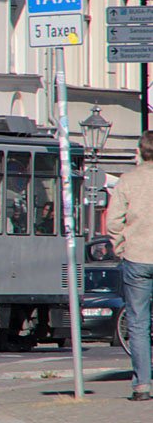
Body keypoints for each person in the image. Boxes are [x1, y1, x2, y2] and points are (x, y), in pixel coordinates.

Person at [108, 131, 153, 402]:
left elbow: (114, 221)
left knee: (138, 322)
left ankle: (142, 385)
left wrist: (121, 246)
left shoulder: (128, 180)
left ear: (140, 151)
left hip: (137, 257)